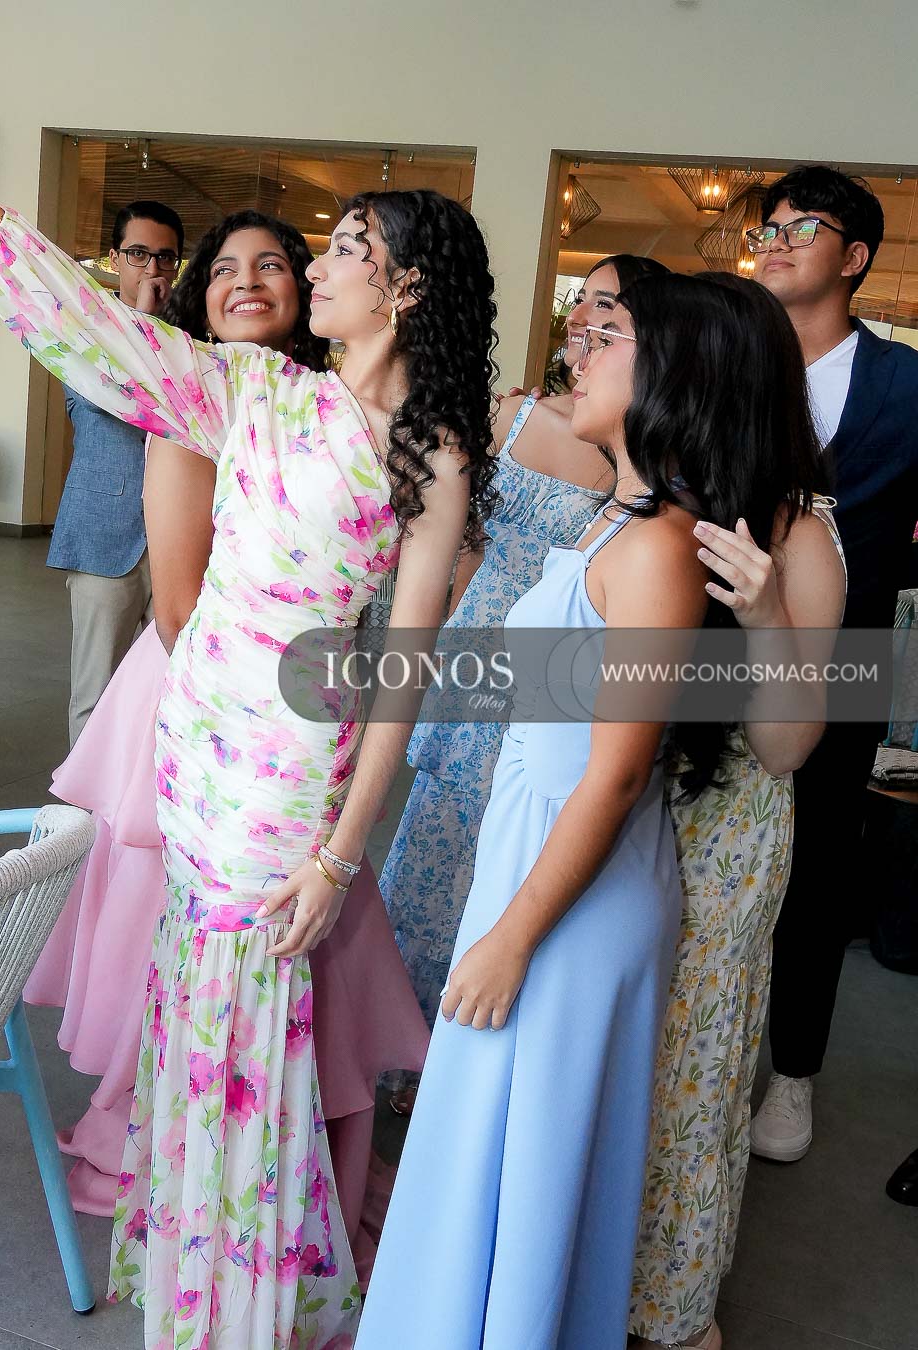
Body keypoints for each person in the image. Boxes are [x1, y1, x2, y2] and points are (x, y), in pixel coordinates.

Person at [0, 41, 497, 1350]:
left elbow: (403, 668)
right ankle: (194, 1277)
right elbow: (89, 326)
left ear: (406, 286)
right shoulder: (258, 390)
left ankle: (238, 1312)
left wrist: (341, 855)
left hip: (287, 787)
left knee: (248, 1047)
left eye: (345, 248)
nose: (317, 266)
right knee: (193, 1026)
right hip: (197, 753)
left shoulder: (431, 455)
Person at [25, 211, 428, 1283]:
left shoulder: (353, 416)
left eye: (278, 264)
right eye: (227, 270)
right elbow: (174, 605)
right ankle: (204, 1194)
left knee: (299, 972)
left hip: (303, 724)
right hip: (210, 704)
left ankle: (267, 1200)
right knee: (196, 958)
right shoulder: (214, 396)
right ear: (199, 293)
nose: (252, 283)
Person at [361, 272, 755, 1349]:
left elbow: (616, 773)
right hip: (538, 848)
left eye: (606, 335)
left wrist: (511, 937)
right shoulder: (616, 524)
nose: (576, 352)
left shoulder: (660, 547)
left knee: (524, 1161)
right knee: (490, 1146)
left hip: (572, 885)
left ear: (669, 369)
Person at [380, 254, 663, 1108]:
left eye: (609, 309)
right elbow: (463, 543)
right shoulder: (514, 414)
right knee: (432, 843)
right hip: (478, 645)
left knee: (505, 852)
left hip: (555, 672)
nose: (586, 320)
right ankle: (397, 1040)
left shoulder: (632, 451)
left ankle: (469, 1043)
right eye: (584, 302)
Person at [629, 274, 846, 1350]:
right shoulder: (648, 493)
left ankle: (675, 1314)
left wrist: (765, 618)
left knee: (689, 1081)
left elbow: (788, 745)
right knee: (619, 1062)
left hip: (723, 837)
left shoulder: (801, 531)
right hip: (628, 814)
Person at [745, 166, 918, 1164]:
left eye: (801, 226)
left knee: (816, 867)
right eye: (767, 226)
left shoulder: (905, 384)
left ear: (854, 257)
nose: (775, 240)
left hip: (843, 662)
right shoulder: (731, 357)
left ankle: (794, 1072)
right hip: (711, 647)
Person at [49, 198, 185, 744]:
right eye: (139, 254)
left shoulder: (193, 340)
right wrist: (146, 322)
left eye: (166, 257)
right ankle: (84, 799)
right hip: (105, 531)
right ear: (114, 258)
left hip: (181, 538)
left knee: (169, 692)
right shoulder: (84, 330)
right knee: (96, 692)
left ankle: (147, 797)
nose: (153, 268)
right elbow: (113, 402)